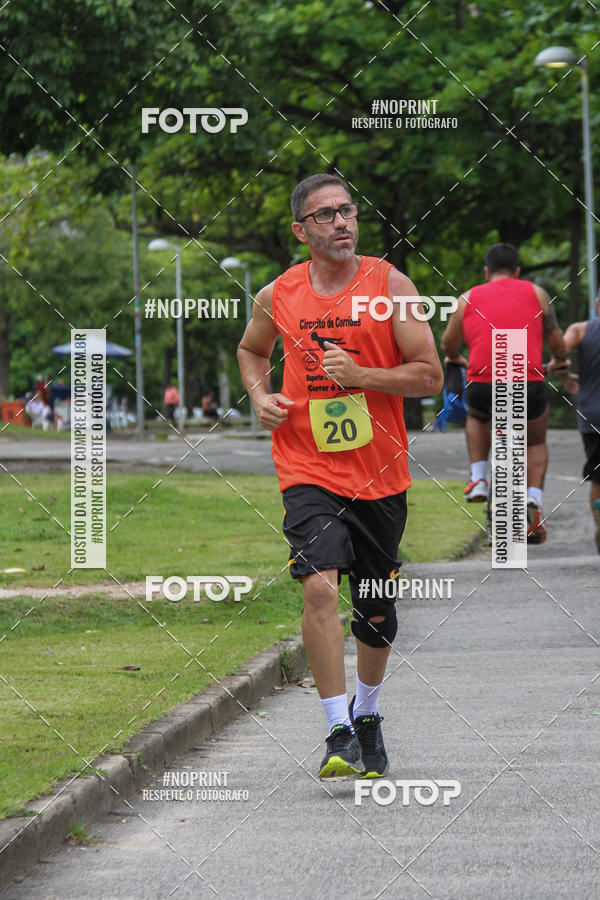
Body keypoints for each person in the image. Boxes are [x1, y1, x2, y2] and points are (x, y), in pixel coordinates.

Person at [237, 173, 443, 779]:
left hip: (379, 473)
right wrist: (260, 396)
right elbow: (251, 351)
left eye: (347, 211)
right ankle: (337, 729)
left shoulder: (390, 286)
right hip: (307, 465)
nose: (341, 222)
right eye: (325, 215)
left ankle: (367, 712)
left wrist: (363, 377)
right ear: (300, 231)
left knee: (375, 611)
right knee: (320, 588)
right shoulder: (278, 293)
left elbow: (429, 375)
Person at [440, 243, 569, 544]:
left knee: (477, 416)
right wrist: (560, 360)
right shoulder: (536, 293)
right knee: (535, 441)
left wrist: (455, 357)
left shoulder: (466, 298)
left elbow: (448, 343)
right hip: (528, 383)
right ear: (517, 271)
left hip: (483, 385)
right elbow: (555, 338)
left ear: (486, 272)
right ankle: (534, 496)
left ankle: (478, 478)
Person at [549, 296, 600, 552]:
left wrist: (566, 376)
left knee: (598, 478)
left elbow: (559, 357)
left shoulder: (580, 330)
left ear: (597, 304)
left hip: (592, 415)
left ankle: (599, 523)